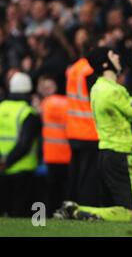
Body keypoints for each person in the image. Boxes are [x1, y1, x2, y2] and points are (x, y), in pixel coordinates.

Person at [54, 47, 132, 222]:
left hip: (106, 154)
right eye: (113, 55)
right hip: (121, 155)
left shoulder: (100, 88)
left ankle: (76, 209)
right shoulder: (113, 91)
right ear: (105, 63)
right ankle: (78, 210)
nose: (118, 56)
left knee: (116, 208)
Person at [0, 72, 41, 217]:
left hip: (2, 169)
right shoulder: (28, 112)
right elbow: (25, 143)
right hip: (23, 169)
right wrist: (8, 161)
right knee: (20, 214)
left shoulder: (1, 107)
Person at [65, 49, 100, 206]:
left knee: (75, 174)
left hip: (73, 130)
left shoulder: (74, 68)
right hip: (89, 131)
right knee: (88, 177)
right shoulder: (90, 70)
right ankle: (84, 207)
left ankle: (71, 206)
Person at [39, 75, 71, 217]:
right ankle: (63, 214)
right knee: (65, 189)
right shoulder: (69, 104)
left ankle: (47, 215)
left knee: (51, 189)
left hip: (50, 154)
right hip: (67, 154)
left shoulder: (45, 103)